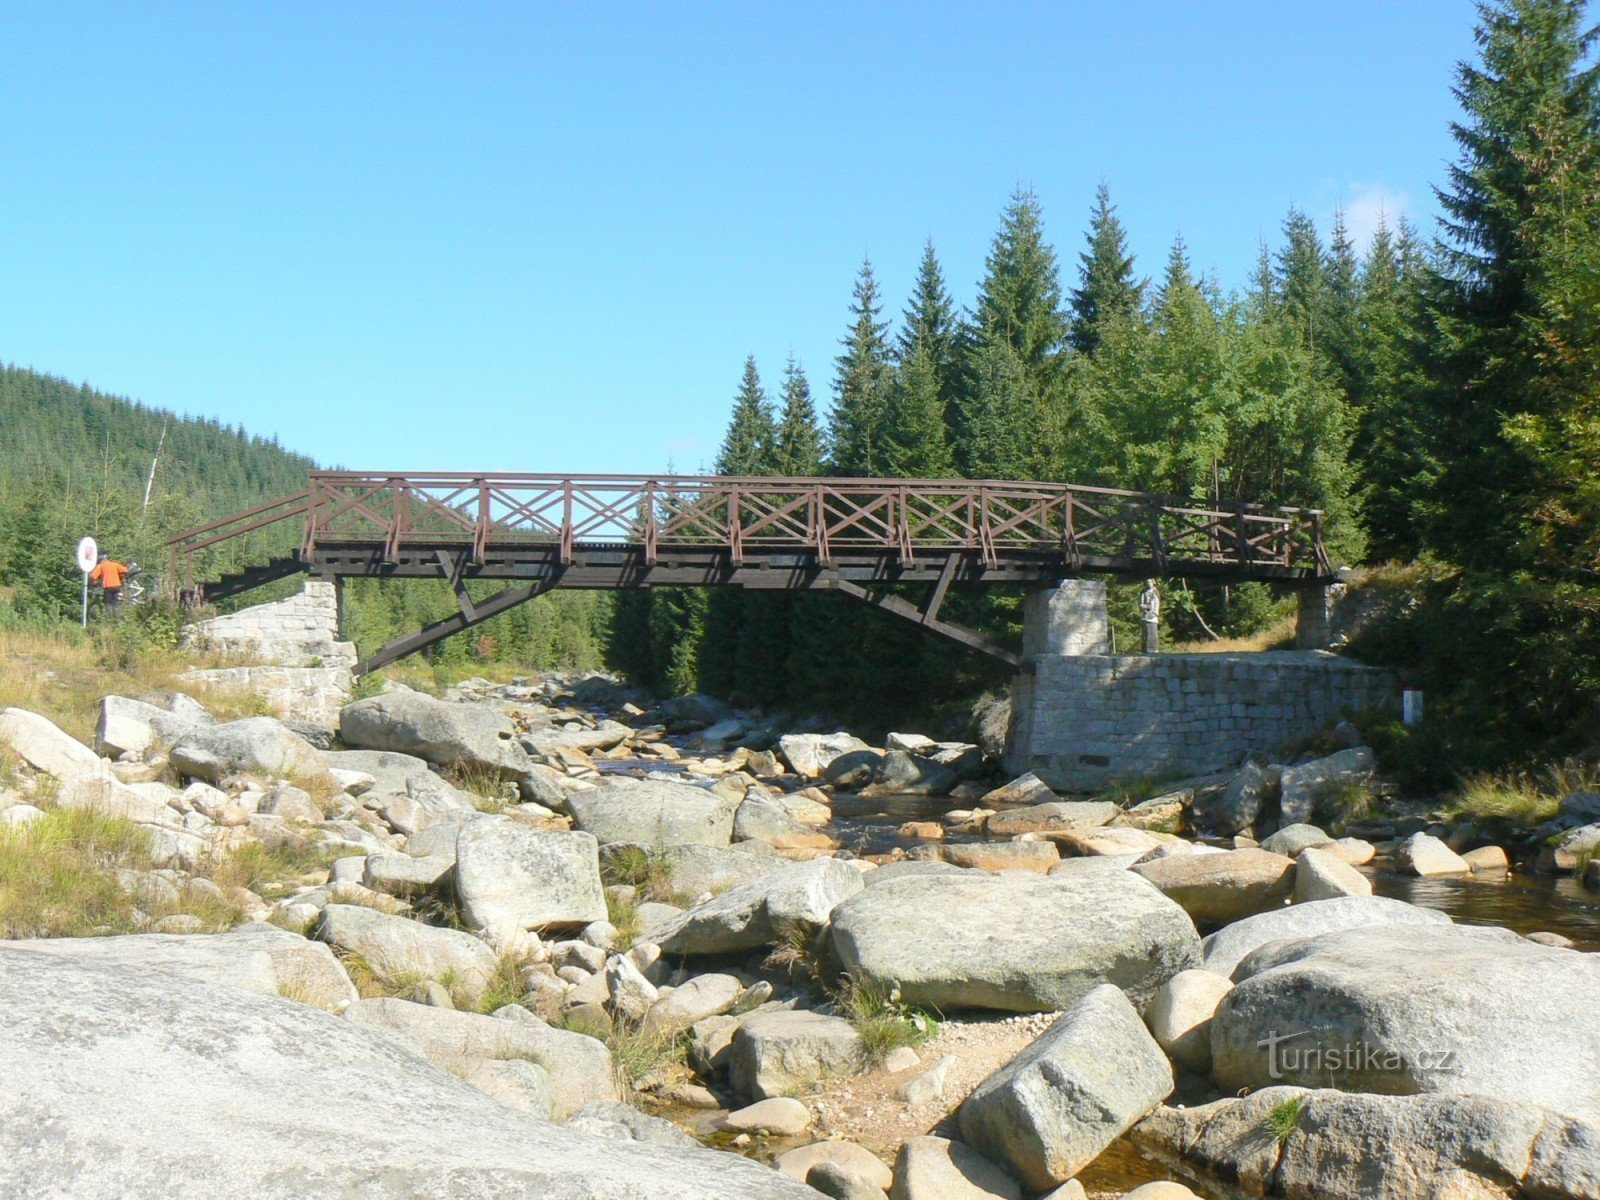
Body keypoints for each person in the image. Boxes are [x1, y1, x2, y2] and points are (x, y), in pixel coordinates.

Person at [1139, 579, 1161, 653]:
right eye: (1147, 582)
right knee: (1145, 633)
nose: (1148, 584)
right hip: (1145, 614)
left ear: (1153, 583)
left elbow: (1156, 604)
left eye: (1150, 582)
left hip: (1152, 615)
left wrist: (1153, 613)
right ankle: (1145, 649)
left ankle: (1153, 649)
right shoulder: (1143, 592)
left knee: (1152, 632)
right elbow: (1141, 604)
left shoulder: (1155, 592)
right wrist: (1144, 608)